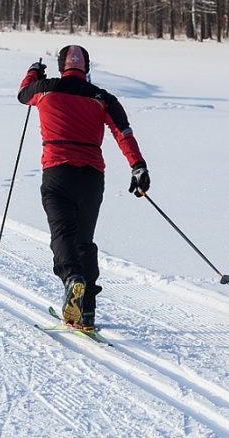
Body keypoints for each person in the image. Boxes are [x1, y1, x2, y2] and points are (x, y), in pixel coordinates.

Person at [18, 45, 150, 331]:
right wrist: (138, 166)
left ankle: (72, 278)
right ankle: (86, 310)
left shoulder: (45, 88)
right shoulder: (102, 97)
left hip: (58, 172)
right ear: (87, 67)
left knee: (62, 235)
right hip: (92, 177)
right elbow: (123, 132)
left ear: (60, 66)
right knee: (84, 241)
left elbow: (22, 94)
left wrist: (33, 71)